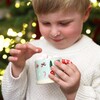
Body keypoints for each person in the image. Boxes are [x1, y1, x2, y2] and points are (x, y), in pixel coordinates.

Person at [2, 0, 100, 100]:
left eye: (64, 23)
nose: (54, 33)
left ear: (85, 13)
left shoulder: (96, 56)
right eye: (46, 23)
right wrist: (17, 68)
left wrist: (74, 92)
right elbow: (10, 97)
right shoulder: (29, 52)